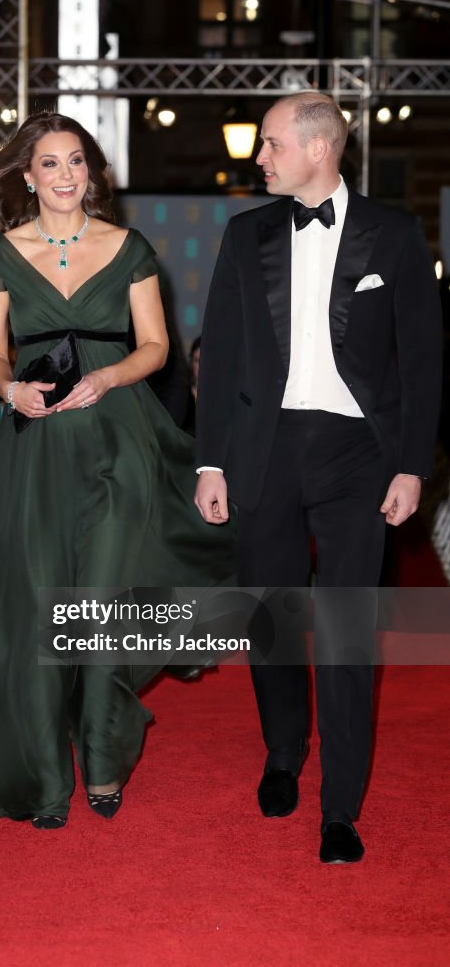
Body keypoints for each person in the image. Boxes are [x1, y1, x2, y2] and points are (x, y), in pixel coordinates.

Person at [0, 111, 234, 828]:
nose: (63, 175)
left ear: (91, 171)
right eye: (48, 163)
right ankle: (47, 775)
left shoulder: (128, 247)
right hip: (36, 445)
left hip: (118, 438)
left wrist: (111, 377)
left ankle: (104, 761)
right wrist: (7, 388)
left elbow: (156, 348)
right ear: (27, 175)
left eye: (75, 161)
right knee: (41, 603)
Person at [194, 92, 442, 863]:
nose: (258, 157)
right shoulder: (245, 234)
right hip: (263, 449)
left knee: (343, 629)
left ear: (316, 148)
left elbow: (424, 358)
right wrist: (210, 460)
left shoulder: (393, 234)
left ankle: (340, 808)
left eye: (269, 144)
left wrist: (410, 464)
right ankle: (281, 753)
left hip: (356, 457)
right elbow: (222, 353)